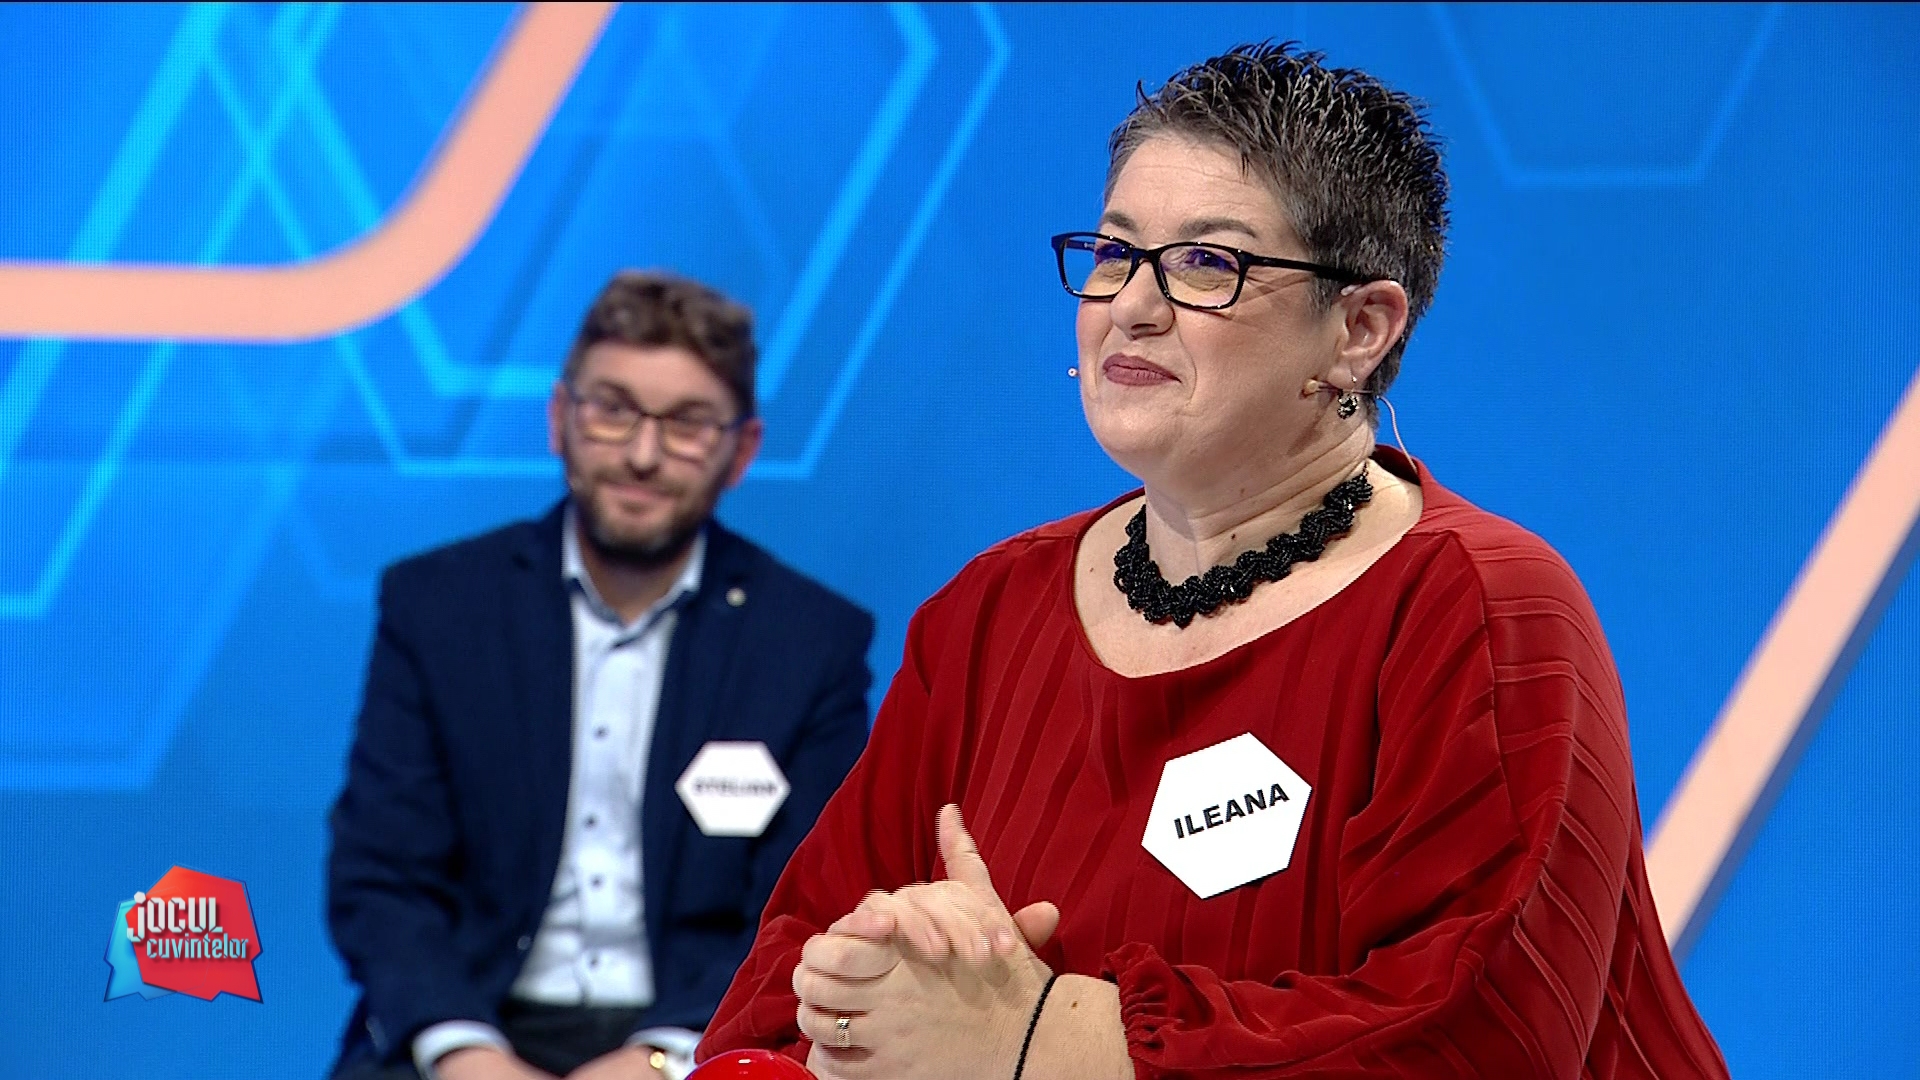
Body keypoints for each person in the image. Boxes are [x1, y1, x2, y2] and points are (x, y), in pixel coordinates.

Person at [697, 43, 1730, 1079]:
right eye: (1114, 252)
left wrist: (1034, 1038)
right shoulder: (989, 612)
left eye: (1205, 263)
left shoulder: (1485, 608)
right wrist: (856, 1004)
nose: (1130, 305)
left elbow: (1476, 1039)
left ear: (1359, 330)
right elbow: (776, 999)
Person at [327, 273, 875, 1080]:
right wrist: (467, 1054)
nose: (643, 456)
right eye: (613, 410)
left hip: (702, 1041)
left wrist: (660, 1059)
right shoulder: (439, 608)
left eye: (688, 424)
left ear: (742, 451)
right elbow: (383, 878)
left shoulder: (808, 642)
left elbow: (805, 905)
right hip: (465, 1031)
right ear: (560, 418)